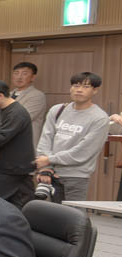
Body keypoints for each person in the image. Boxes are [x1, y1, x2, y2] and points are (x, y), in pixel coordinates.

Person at [35, 72, 113, 202]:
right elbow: (45, 139)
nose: (79, 90)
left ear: (95, 90)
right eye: (76, 85)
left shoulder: (99, 118)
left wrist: (49, 160)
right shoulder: (57, 110)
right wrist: (45, 168)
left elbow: (83, 152)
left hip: (76, 177)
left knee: (74, 213)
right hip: (50, 174)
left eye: (86, 87)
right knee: (50, 213)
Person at [9, 61, 49, 139]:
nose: (19, 77)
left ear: (33, 77)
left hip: (24, 140)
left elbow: (22, 118)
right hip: (3, 140)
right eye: (16, 73)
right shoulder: (7, 95)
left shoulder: (37, 95)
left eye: (24, 74)